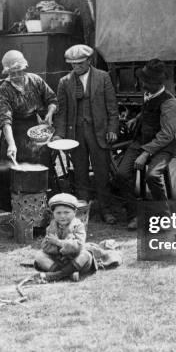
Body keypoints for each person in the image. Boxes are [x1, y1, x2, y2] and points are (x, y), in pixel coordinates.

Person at [53, 44, 119, 224]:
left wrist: (112, 129)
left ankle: (106, 210)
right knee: (80, 174)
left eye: (80, 63)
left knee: (102, 173)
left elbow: (112, 107)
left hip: (99, 133)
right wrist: (59, 134)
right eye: (73, 64)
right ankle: (82, 213)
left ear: (89, 61)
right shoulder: (64, 82)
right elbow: (61, 112)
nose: (76, 67)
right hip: (76, 135)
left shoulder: (103, 77)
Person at [114, 59, 176, 230]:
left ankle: (164, 216)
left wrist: (146, 153)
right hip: (141, 141)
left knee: (152, 175)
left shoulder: (169, 103)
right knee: (121, 174)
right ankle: (134, 214)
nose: (142, 84)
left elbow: (167, 134)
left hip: (163, 147)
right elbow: (149, 112)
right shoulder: (149, 95)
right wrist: (136, 119)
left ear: (157, 83)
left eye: (146, 82)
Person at [0, 50, 58, 211]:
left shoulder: (36, 80)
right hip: (14, 131)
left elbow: (52, 99)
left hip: (35, 130)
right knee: (14, 170)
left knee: (41, 165)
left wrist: (49, 114)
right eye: (11, 73)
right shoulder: (4, 88)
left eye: (19, 71)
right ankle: (16, 210)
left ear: (24, 68)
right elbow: (5, 119)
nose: (15, 75)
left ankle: (43, 206)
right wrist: (11, 144)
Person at [34, 193, 96, 282]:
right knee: (39, 256)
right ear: (53, 214)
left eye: (66, 212)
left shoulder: (78, 226)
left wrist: (58, 242)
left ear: (74, 213)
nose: (62, 216)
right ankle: (69, 273)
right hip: (59, 261)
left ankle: (56, 275)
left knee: (86, 255)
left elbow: (78, 245)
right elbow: (45, 247)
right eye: (58, 213)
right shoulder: (51, 227)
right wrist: (61, 248)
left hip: (76, 261)